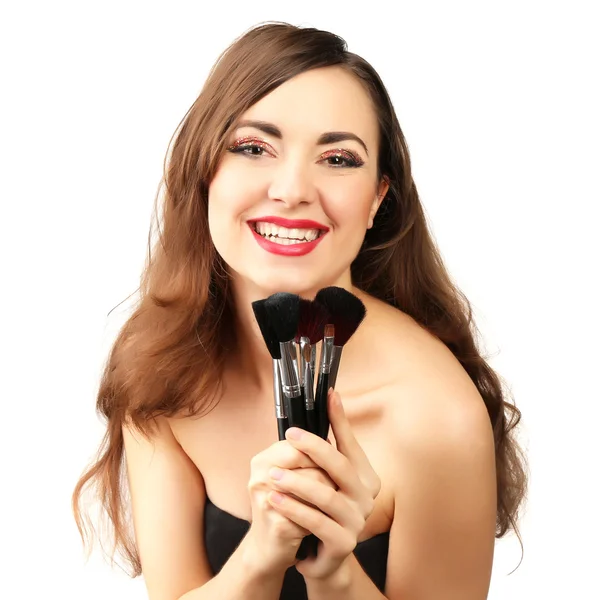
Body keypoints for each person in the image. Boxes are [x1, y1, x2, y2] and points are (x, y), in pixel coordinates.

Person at [72, 21, 527, 600]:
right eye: (254, 148)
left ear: (377, 200)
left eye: (338, 159)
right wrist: (261, 555)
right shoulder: (162, 357)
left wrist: (334, 573)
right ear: (204, 170)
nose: (292, 189)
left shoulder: (437, 416)